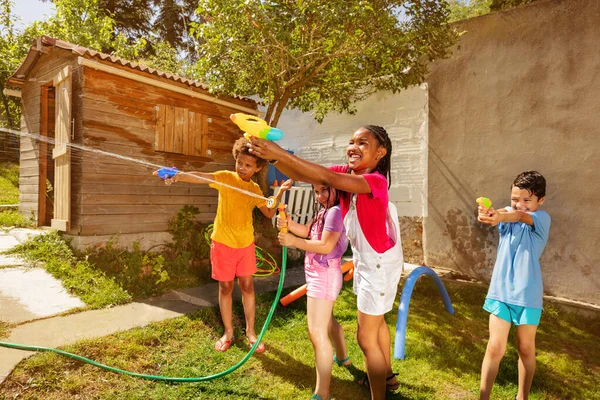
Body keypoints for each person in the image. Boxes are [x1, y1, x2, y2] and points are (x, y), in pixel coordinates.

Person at [249, 125, 403, 400]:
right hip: (371, 262)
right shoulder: (348, 174)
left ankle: (379, 393)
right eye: (351, 141)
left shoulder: (375, 180)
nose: (353, 147)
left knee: (366, 338)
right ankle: (387, 378)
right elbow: (308, 174)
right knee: (377, 326)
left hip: (378, 265)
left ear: (381, 152)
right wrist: (275, 158)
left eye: (363, 143)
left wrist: (279, 152)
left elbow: (324, 176)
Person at [154, 137, 291, 353]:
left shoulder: (254, 189)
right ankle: (228, 331)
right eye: (240, 163)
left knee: (247, 286)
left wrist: (280, 192)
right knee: (226, 287)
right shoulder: (226, 178)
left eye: (248, 166)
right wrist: (178, 175)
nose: (242, 168)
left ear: (257, 168)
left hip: (245, 244)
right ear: (236, 160)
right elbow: (200, 177)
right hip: (223, 243)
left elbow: (268, 211)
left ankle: (250, 332)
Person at [477, 171, 551, 400]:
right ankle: (483, 397)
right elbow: (506, 214)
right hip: (501, 292)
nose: (519, 204)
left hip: (528, 296)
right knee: (495, 347)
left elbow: (519, 216)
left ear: (541, 200)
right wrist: (491, 214)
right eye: (515, 198)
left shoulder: (542, 219)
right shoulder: (508, 214)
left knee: (525, 348)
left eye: (527, 200)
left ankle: (522, 396)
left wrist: (502, 215)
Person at [277, 183, 351, 400]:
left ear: (337, 190)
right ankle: (343, 357)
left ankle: (322, 393)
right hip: (318, 272)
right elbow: (308, 231)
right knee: (327, 322)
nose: (319, 196)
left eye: (324, 191)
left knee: (316, 333)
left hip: (325, 275)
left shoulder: (336, 212)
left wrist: (294, 242)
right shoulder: (324, 211)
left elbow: (326, 246)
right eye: (316, 192)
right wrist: (289, 223)